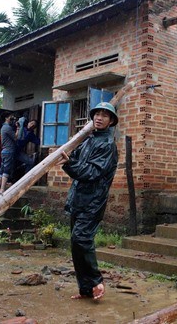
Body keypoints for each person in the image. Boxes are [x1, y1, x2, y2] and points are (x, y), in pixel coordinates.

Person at [60, 102, 119, 301]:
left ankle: (96, 281)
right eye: (97, 114)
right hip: (78, 197)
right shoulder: (87, 140)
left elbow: (92, 172)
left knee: (81, 239)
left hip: (93, 200)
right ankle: (85, 290)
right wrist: (67, 152)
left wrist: (69, 165)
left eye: (105, 115)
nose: (100, 118)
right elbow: (73, 158)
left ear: (111, 121)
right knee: (76, 243)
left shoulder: (107, 145)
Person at [0, 114, 17, 195]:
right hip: (8, 151)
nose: (12, 119)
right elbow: (16, 137)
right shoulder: (7, 127)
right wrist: (18, 128)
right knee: (6, 169)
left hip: (4, 151)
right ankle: (2, 189)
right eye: (10, 117)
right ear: (6, 118)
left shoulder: (3, 127)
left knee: (1, 169)